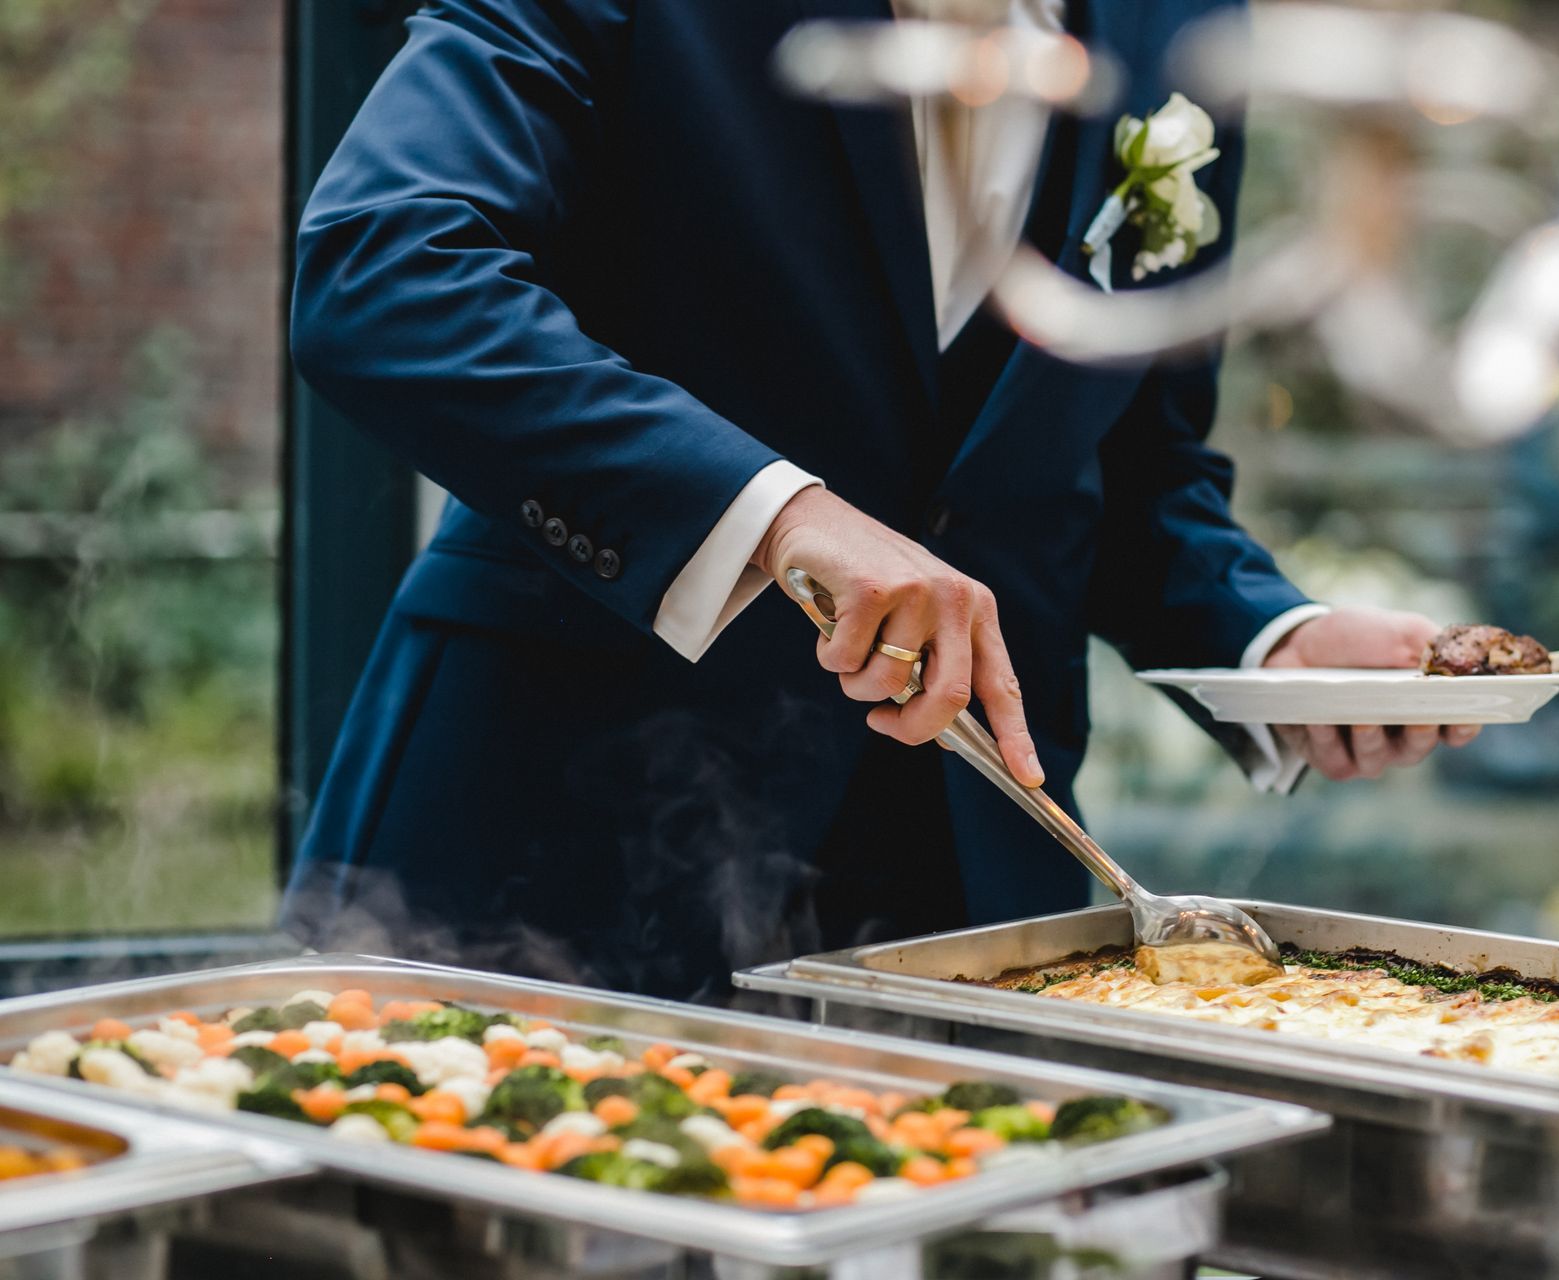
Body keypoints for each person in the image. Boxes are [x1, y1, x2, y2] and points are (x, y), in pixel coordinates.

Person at [282, 0, 1477, 1001]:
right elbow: (386, 270)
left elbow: (1124, 464)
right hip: (548, 848)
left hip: (977, 883)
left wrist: (1274, 636)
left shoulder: (1190, 24)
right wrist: (779, 513)